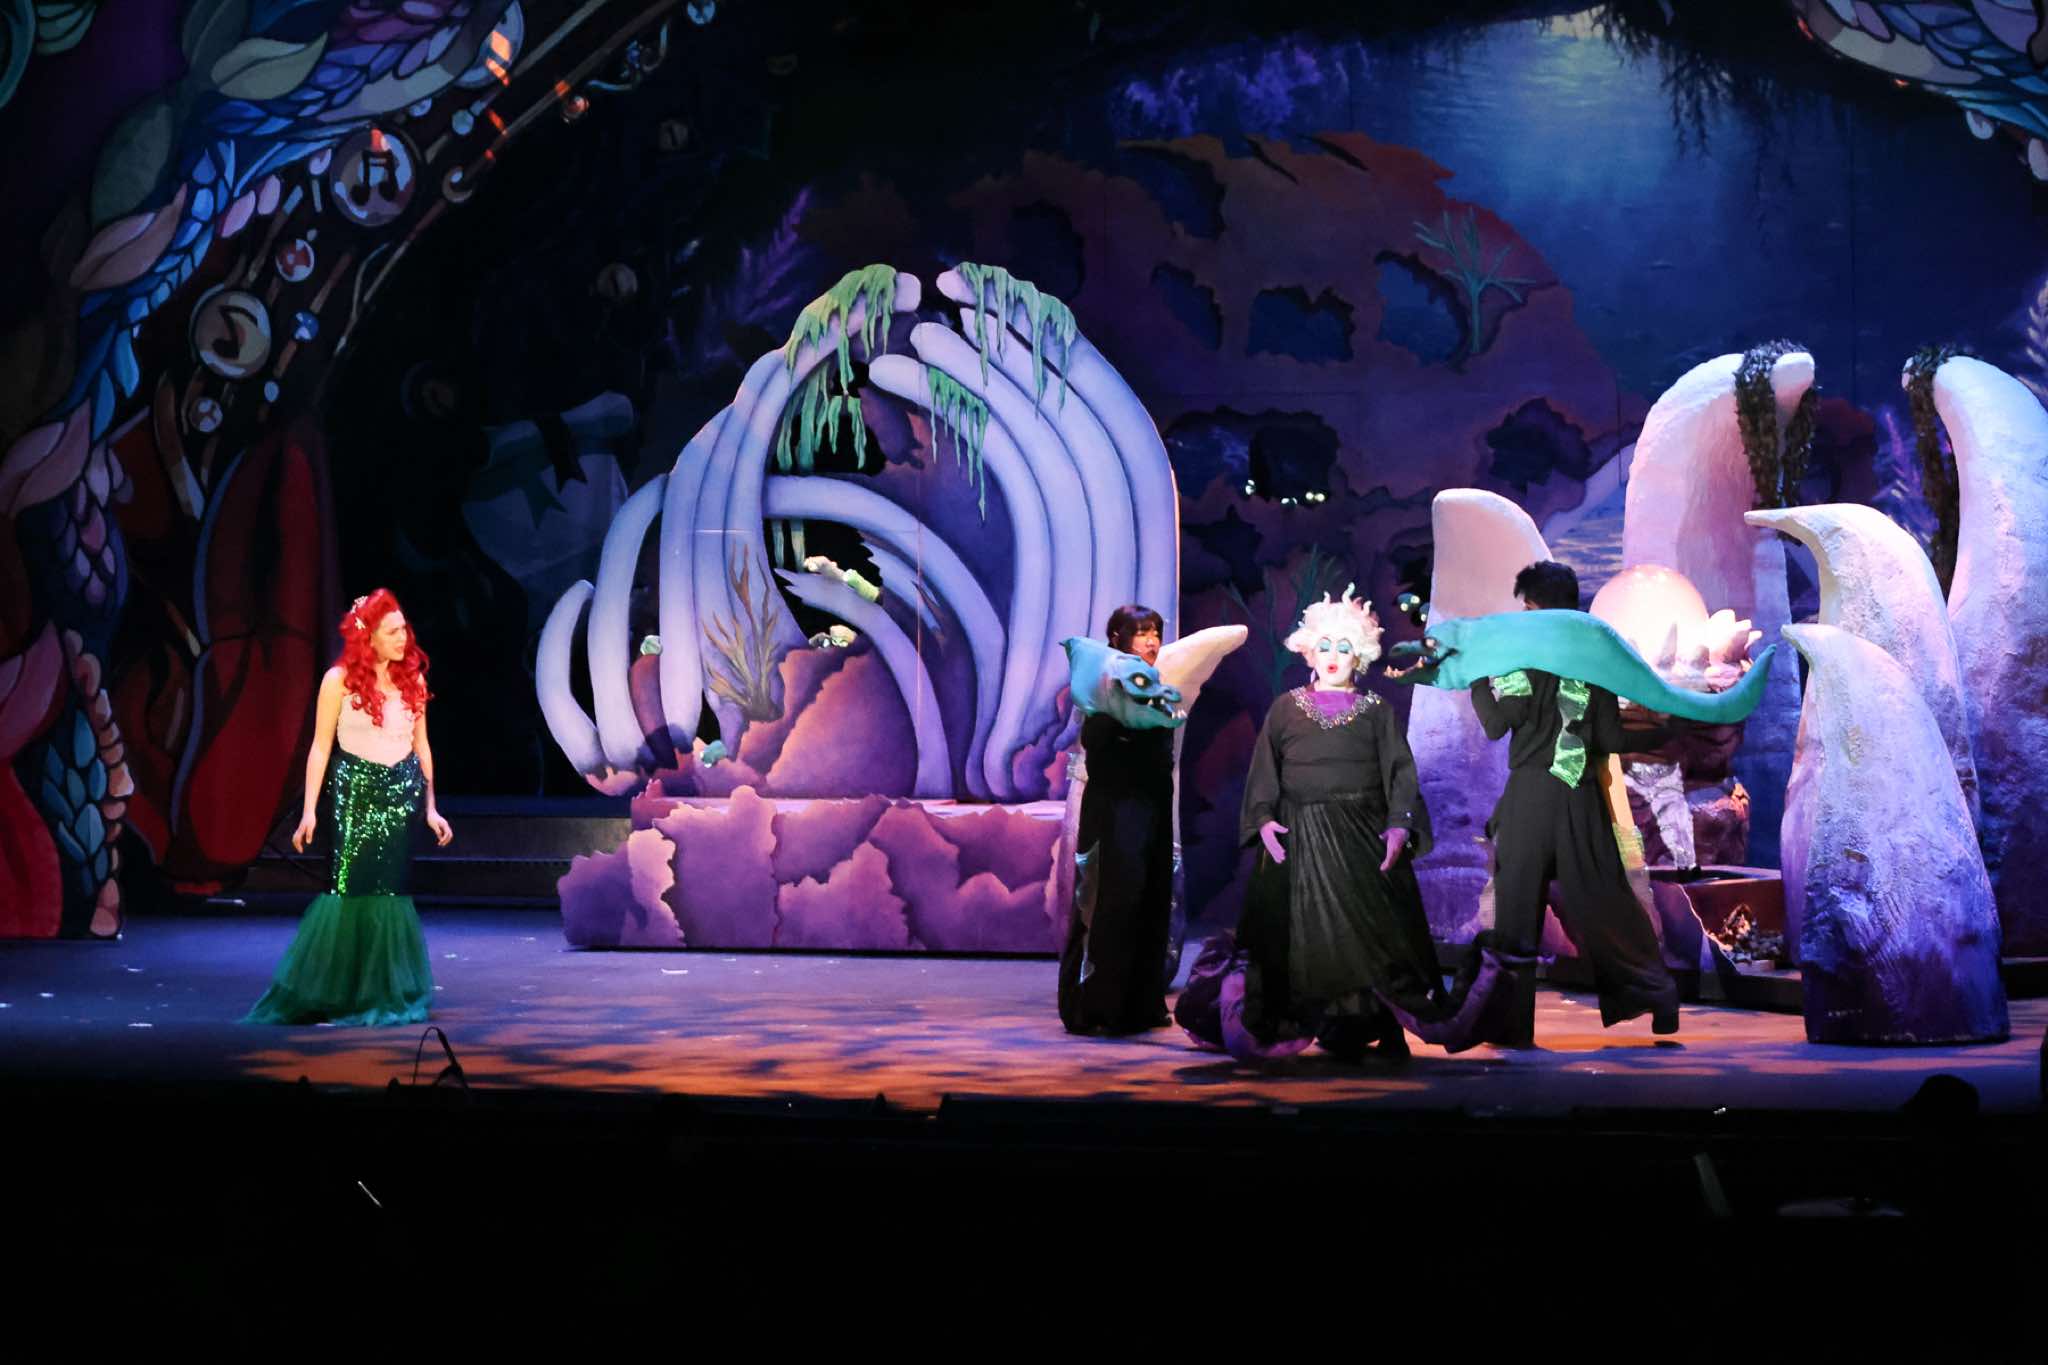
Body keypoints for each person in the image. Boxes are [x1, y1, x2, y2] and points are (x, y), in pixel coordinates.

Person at [1220, 586, 1448, 1060]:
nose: (1332, 656)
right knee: (1305, 937)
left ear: (1358, 656)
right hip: (1300, 835)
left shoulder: (1377, 711)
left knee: (1373, 934)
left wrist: (1399, 825)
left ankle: (1381, 1023)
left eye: (1344, 648)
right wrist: (1263, 821)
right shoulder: (1285, 709)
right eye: (1324, 646)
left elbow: (1400, 771)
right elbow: (1265, 770)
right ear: (1308, 651)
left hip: (1362, 834)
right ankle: (1306, 1022)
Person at [1468, 561, 1681, 1043]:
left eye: (1527, 607)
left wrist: (1478, 681)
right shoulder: (1593, 662)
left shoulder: (1522, 659)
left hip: (1531, 798)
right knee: (1605, 899)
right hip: (1579, 796)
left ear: (1537, 607)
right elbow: (1609, 738)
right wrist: (1664, 733)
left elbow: (1499, 724)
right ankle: (1658, 993)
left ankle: (1511, 1024)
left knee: (1516, 910)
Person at [246, 590, 453, 1026]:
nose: (402, 638)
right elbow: (320, 748)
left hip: (401, 795)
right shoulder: (337, 680)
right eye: (392, 631)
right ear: (369, 636)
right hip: (356, 794)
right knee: (348, 887)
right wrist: (309, 810)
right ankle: (335, 987)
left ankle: (382, 988)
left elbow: (422, 747)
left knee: (389, 891)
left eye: (403, 629)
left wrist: (431, 807)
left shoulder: (412, 682)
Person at [1059, 604, 1175, 1035]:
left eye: (1155, 632)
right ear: (1117, 638)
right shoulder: (1103, 685)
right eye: (1141, 632)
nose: (1151, 640)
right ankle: (1097, 1007)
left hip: (1151, 808)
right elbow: (1099, 746)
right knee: (1109, 901)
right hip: (1114, 810)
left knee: (1151, 899)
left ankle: (1140, 1004)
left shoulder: (1152, 685)